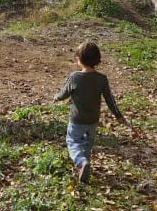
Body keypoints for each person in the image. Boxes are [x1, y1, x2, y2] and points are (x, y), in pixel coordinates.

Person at [54, 41, 134, 185]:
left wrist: (56, 97)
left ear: (79, 59)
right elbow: (110, 100)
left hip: (77, 120)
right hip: (93, 121)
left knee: (72, 142)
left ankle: (81, 162)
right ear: (96, 60)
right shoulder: (101, 79)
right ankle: (85, 168)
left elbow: (63, 94)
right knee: (87, 145)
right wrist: (118, 116)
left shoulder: (75, 77)